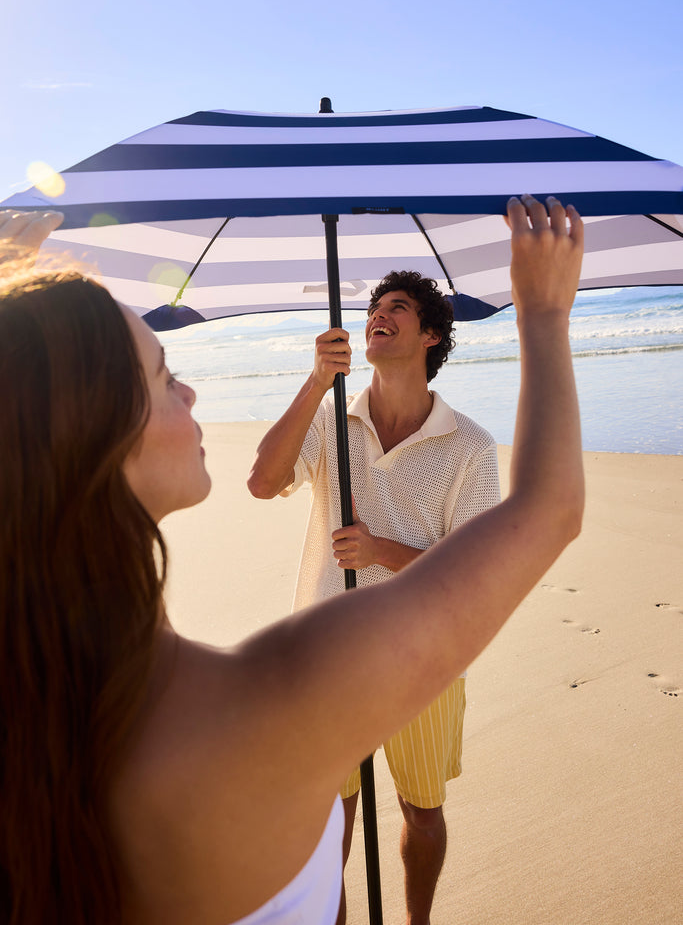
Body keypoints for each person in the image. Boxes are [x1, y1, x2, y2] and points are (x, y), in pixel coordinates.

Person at [0, 196, 584, 925]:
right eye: (163, 375)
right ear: (95, 439)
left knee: (417, 808)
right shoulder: (285, 686)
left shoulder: (33, 705)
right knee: (334, 825)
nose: (190, 389)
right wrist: (543, 313)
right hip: (375, 640)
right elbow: (548, 511)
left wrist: (19, 314)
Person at [248, 264, 501, 923]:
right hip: (327, 651)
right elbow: (262, 481)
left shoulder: (469, 445)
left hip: (424, 655)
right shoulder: (332, 419)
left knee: (422, 811)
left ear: (430, 335)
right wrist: (315, 382)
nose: (376, 317)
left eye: (396, 307)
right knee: (329, 816)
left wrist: (380, 550)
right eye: (372, 309)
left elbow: (478, 573)